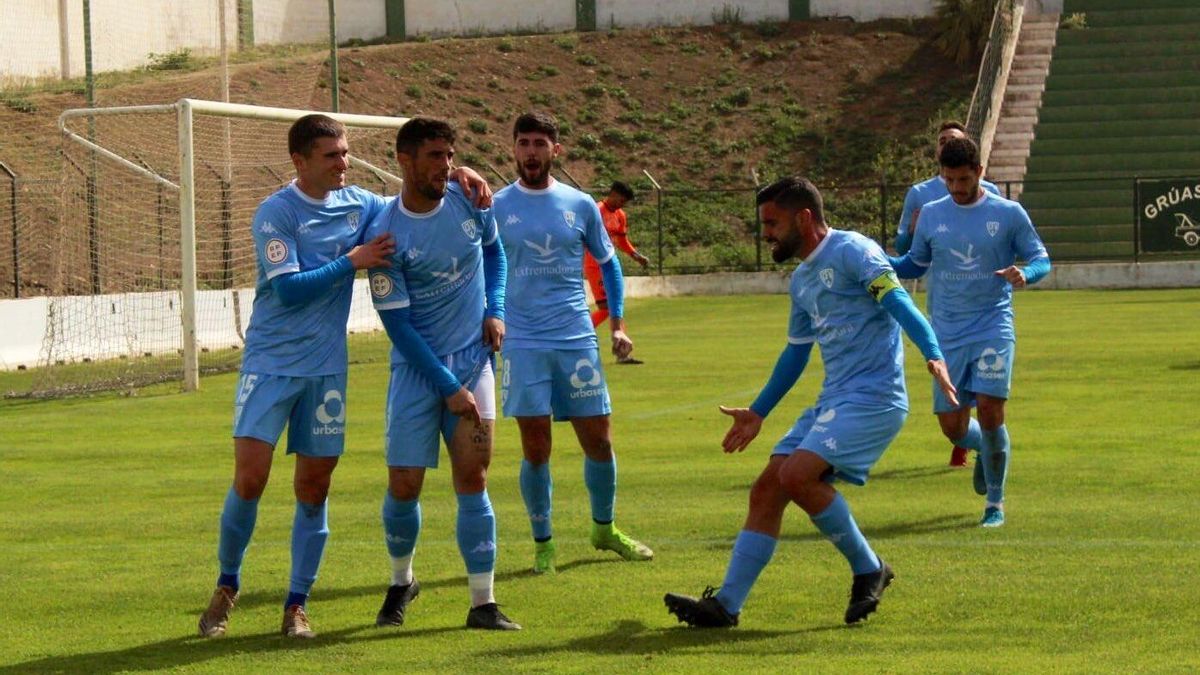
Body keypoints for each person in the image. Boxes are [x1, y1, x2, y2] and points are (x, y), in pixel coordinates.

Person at [198, 114, 491, 640]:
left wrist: (459, 172)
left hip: (327, 371)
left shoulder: (360, 205)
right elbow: (287, 289)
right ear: (300, 160)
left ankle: (295, 605)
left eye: (346, 153)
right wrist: (350, 261)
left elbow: (411, 198)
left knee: (314, 487)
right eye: (332, 155)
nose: (344, 163)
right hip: (269, 365)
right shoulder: (275, 213)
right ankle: (226, 587)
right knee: (251, 478)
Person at [663, 176, 958, 628]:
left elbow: (899, 303)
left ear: (804, 217)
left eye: (772, 223)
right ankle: (726, 605)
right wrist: (758, 411)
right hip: (834, 400)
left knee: (798, 474)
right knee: (767, 488)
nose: (767, 234)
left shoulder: (853, 252)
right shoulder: (801, 280)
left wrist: (933, 353)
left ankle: (869, 568)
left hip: (875, 398)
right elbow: (796, 352)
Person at [365, 117, 520, 631]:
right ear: (404, 161)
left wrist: (495, 308)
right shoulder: (384, 233)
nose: (448, 166)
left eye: (451, 155)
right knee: (404, 485)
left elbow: (496, 255)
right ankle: (401, 581)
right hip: (417, 371)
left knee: (473, 478)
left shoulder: (469, 201)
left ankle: (483, 603)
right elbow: (399, 326)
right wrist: (447, 389)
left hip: (473, 362)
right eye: (435, 156)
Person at [492, 111, 653, 575]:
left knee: (599, 441)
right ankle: (544, 543)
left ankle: (604, 528)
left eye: (540, 143)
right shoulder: (497, 206)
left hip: (576, 339)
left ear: (555, 151)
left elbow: (610, 265)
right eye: (523, 142)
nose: (531, 152)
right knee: (536, 448)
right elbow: (482, 265)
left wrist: (618, 324)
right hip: (522, 343)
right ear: (514, 149)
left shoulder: (579, 204)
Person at [889, 136, 1051, 528]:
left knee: (992, 409)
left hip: (993, 324)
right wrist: (878, 261)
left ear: (980, 172)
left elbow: (1040, 258)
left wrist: (1024, 273)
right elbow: (915, 264)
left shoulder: (1008, 213)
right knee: (954, 428)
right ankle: (983, 448)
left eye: (964, 179)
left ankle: (995, 504)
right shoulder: (930, 213)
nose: (957, 189)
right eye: (949, 180)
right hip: (945, 332)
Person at [894, 120, 1002, 468]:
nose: (945, 146)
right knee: (952, 419)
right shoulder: (921, 195)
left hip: (988, 317)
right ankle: (971, 441)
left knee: (986, 400)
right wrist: (903, 239)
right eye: (941, 141)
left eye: (952, 141)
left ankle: (990, 455)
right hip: (944, 312)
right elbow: (907, 252)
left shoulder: (995, 197)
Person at [585, 181, 650, 364]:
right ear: (612, 193)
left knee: (615, 307)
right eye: (620, 200)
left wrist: (636, 256)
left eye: (624, 202)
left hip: (609, 265)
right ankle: (578, 333)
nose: (621, 205)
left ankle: (622, 352)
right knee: (607, 308)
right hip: (594, 264)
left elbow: (622, 241)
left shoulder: (620, 215)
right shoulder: (596, 210)